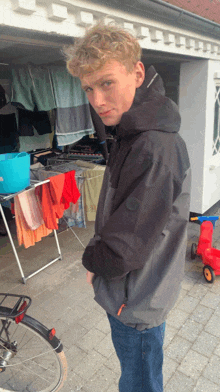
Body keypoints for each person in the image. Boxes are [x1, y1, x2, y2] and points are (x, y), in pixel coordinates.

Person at [65, 22, 191, 392]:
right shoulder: (131, 131)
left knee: (138, 384)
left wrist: (94, 263)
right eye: (89, 88)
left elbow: (124, 247)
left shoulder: (152, 147)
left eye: (107, 83)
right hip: (134, 292)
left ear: (137, 73)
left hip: (136, 301)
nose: (97, 100)